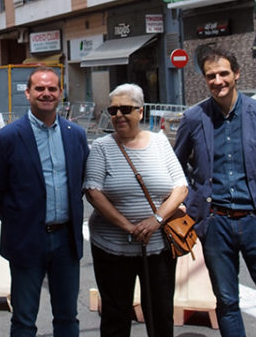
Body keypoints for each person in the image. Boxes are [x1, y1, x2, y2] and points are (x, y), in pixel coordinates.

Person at [173, 45, 256, 337]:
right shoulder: (195, 118)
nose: (218, 81)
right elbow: (176, 167)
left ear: (237, 73)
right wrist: (194, 205)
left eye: (223, 73)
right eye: (211, 76)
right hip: (215, 223)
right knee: (227, 303)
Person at [0, 66, 89, 337]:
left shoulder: (76, 135)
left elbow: (80, 181)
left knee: (68, 317)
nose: (46, 93)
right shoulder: (7, 137)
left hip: (66, 240)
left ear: (61, 93)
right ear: (28, 93)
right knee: (24, 319)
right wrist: (19, 219)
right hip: (26, 239)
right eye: (40, 88)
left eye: (52, 88)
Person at [84, 83, 188, 337]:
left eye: (126, 109)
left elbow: (181, 187)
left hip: (158, 248)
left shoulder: (160, 142)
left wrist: (156, 220)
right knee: (115, 317)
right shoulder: (102, 147)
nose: (118, 115)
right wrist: (129, 227)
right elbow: (93, 192)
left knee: (160, 314)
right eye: (113, 110)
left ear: (140, 112)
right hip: (111, 248)